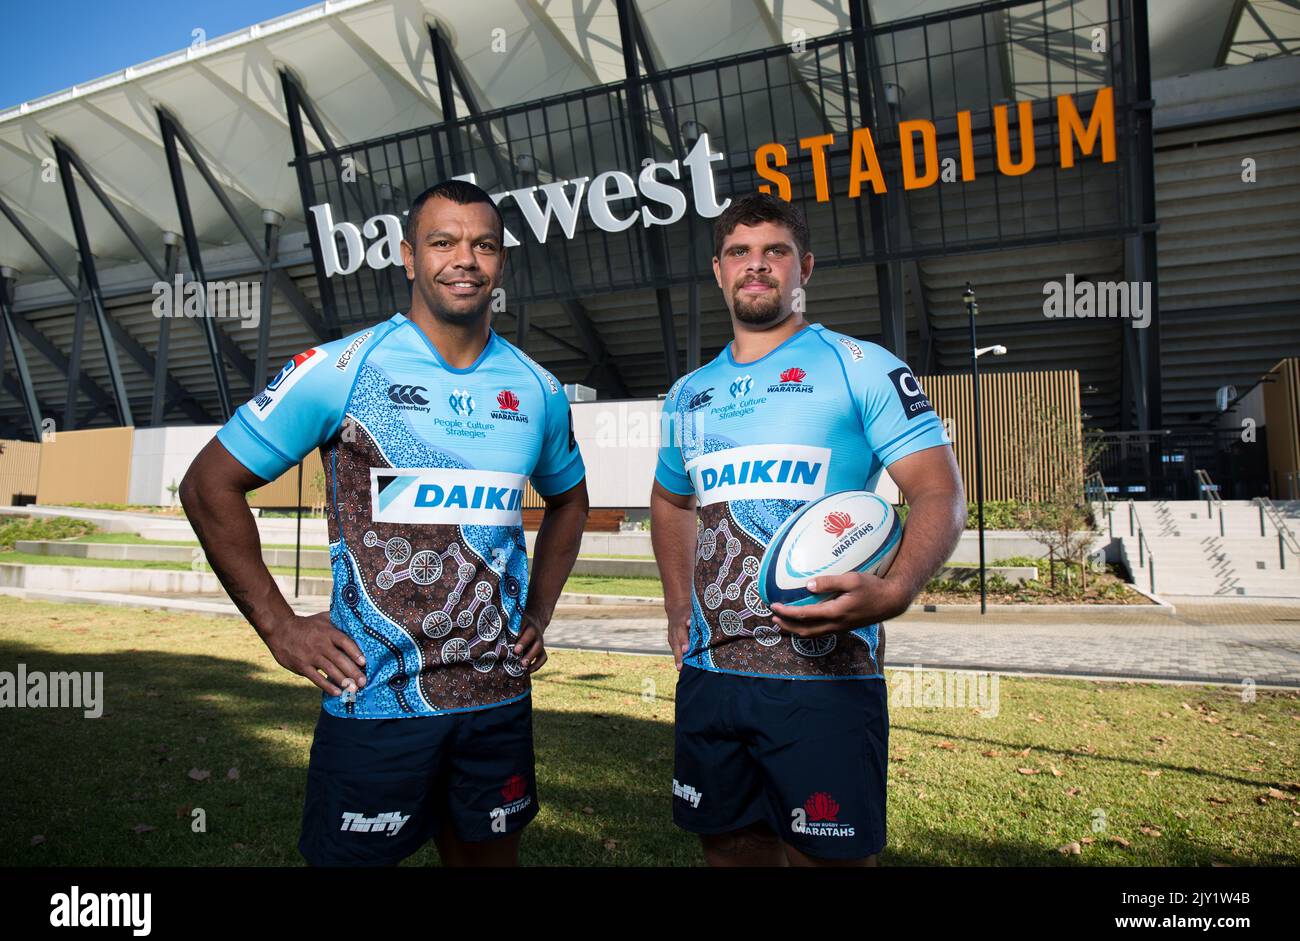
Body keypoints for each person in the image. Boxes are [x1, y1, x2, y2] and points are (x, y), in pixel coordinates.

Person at [180, 179, 588, 866]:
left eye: (484, 244)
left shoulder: (539, 390)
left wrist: (539, 614)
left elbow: (569, 502)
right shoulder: (340, 370)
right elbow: (208, 485)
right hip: (376, 701)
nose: (465, 259)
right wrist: (280, 626)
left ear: (502, 262)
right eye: (443, 242)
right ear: (407, 256)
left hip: (496, 700)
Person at [651, 192, 965, 866]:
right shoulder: (688, 394)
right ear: (718, 270)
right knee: (729, 849)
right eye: (740, 252)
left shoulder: (863, 368)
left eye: (775, 252)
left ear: (806, 268)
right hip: (713, 673)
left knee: (827, 858)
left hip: (826, 677)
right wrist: (678, 603)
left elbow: (939, 491)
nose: (756, 266)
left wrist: (900, 587)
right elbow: (671, 501)